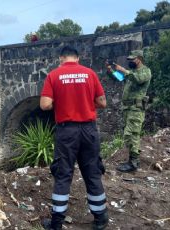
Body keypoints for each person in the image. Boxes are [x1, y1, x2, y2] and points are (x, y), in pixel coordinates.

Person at [40, 45, 108, 230]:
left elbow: (45, 104)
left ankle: (56, 223)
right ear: (77, 58)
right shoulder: (89, 73)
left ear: (61, 58)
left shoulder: (53, 75)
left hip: (67, 131)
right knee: (92, 172)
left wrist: (60, 101)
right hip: (89, 130)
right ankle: (100, 218)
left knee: (63, 175)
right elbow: (102, 102)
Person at [105, 50, 152, 172]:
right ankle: (132, 159)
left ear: (139, 59)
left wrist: (123, 70)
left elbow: (138, 79)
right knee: (129, 135)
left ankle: (134, 163)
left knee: (131, 134)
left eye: (132, 59)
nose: (130, 61)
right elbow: (120, 78)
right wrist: (111, 71)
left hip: (136, 109)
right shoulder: (131, 73)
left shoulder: (145, 71)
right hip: (127, 109)